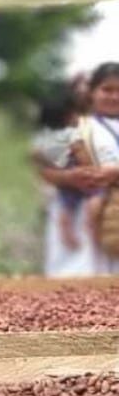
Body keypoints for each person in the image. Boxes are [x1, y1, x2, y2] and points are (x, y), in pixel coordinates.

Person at [40, 63, 119, 276]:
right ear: (92, 92)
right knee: (80, 282)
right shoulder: (77, 126)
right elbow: (46, 167)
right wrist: (69, 177)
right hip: (83, 211)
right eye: (107, 90)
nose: (114, 97)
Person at [31, 89, 99, 253]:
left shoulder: (42, 138)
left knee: (66, 210)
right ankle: (91, 230)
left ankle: (67, 234)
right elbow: (86, 161)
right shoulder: (73, 137)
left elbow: (37, 159)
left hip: (62, 187)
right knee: (94, 203)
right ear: (67, 116)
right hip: (83, 183)